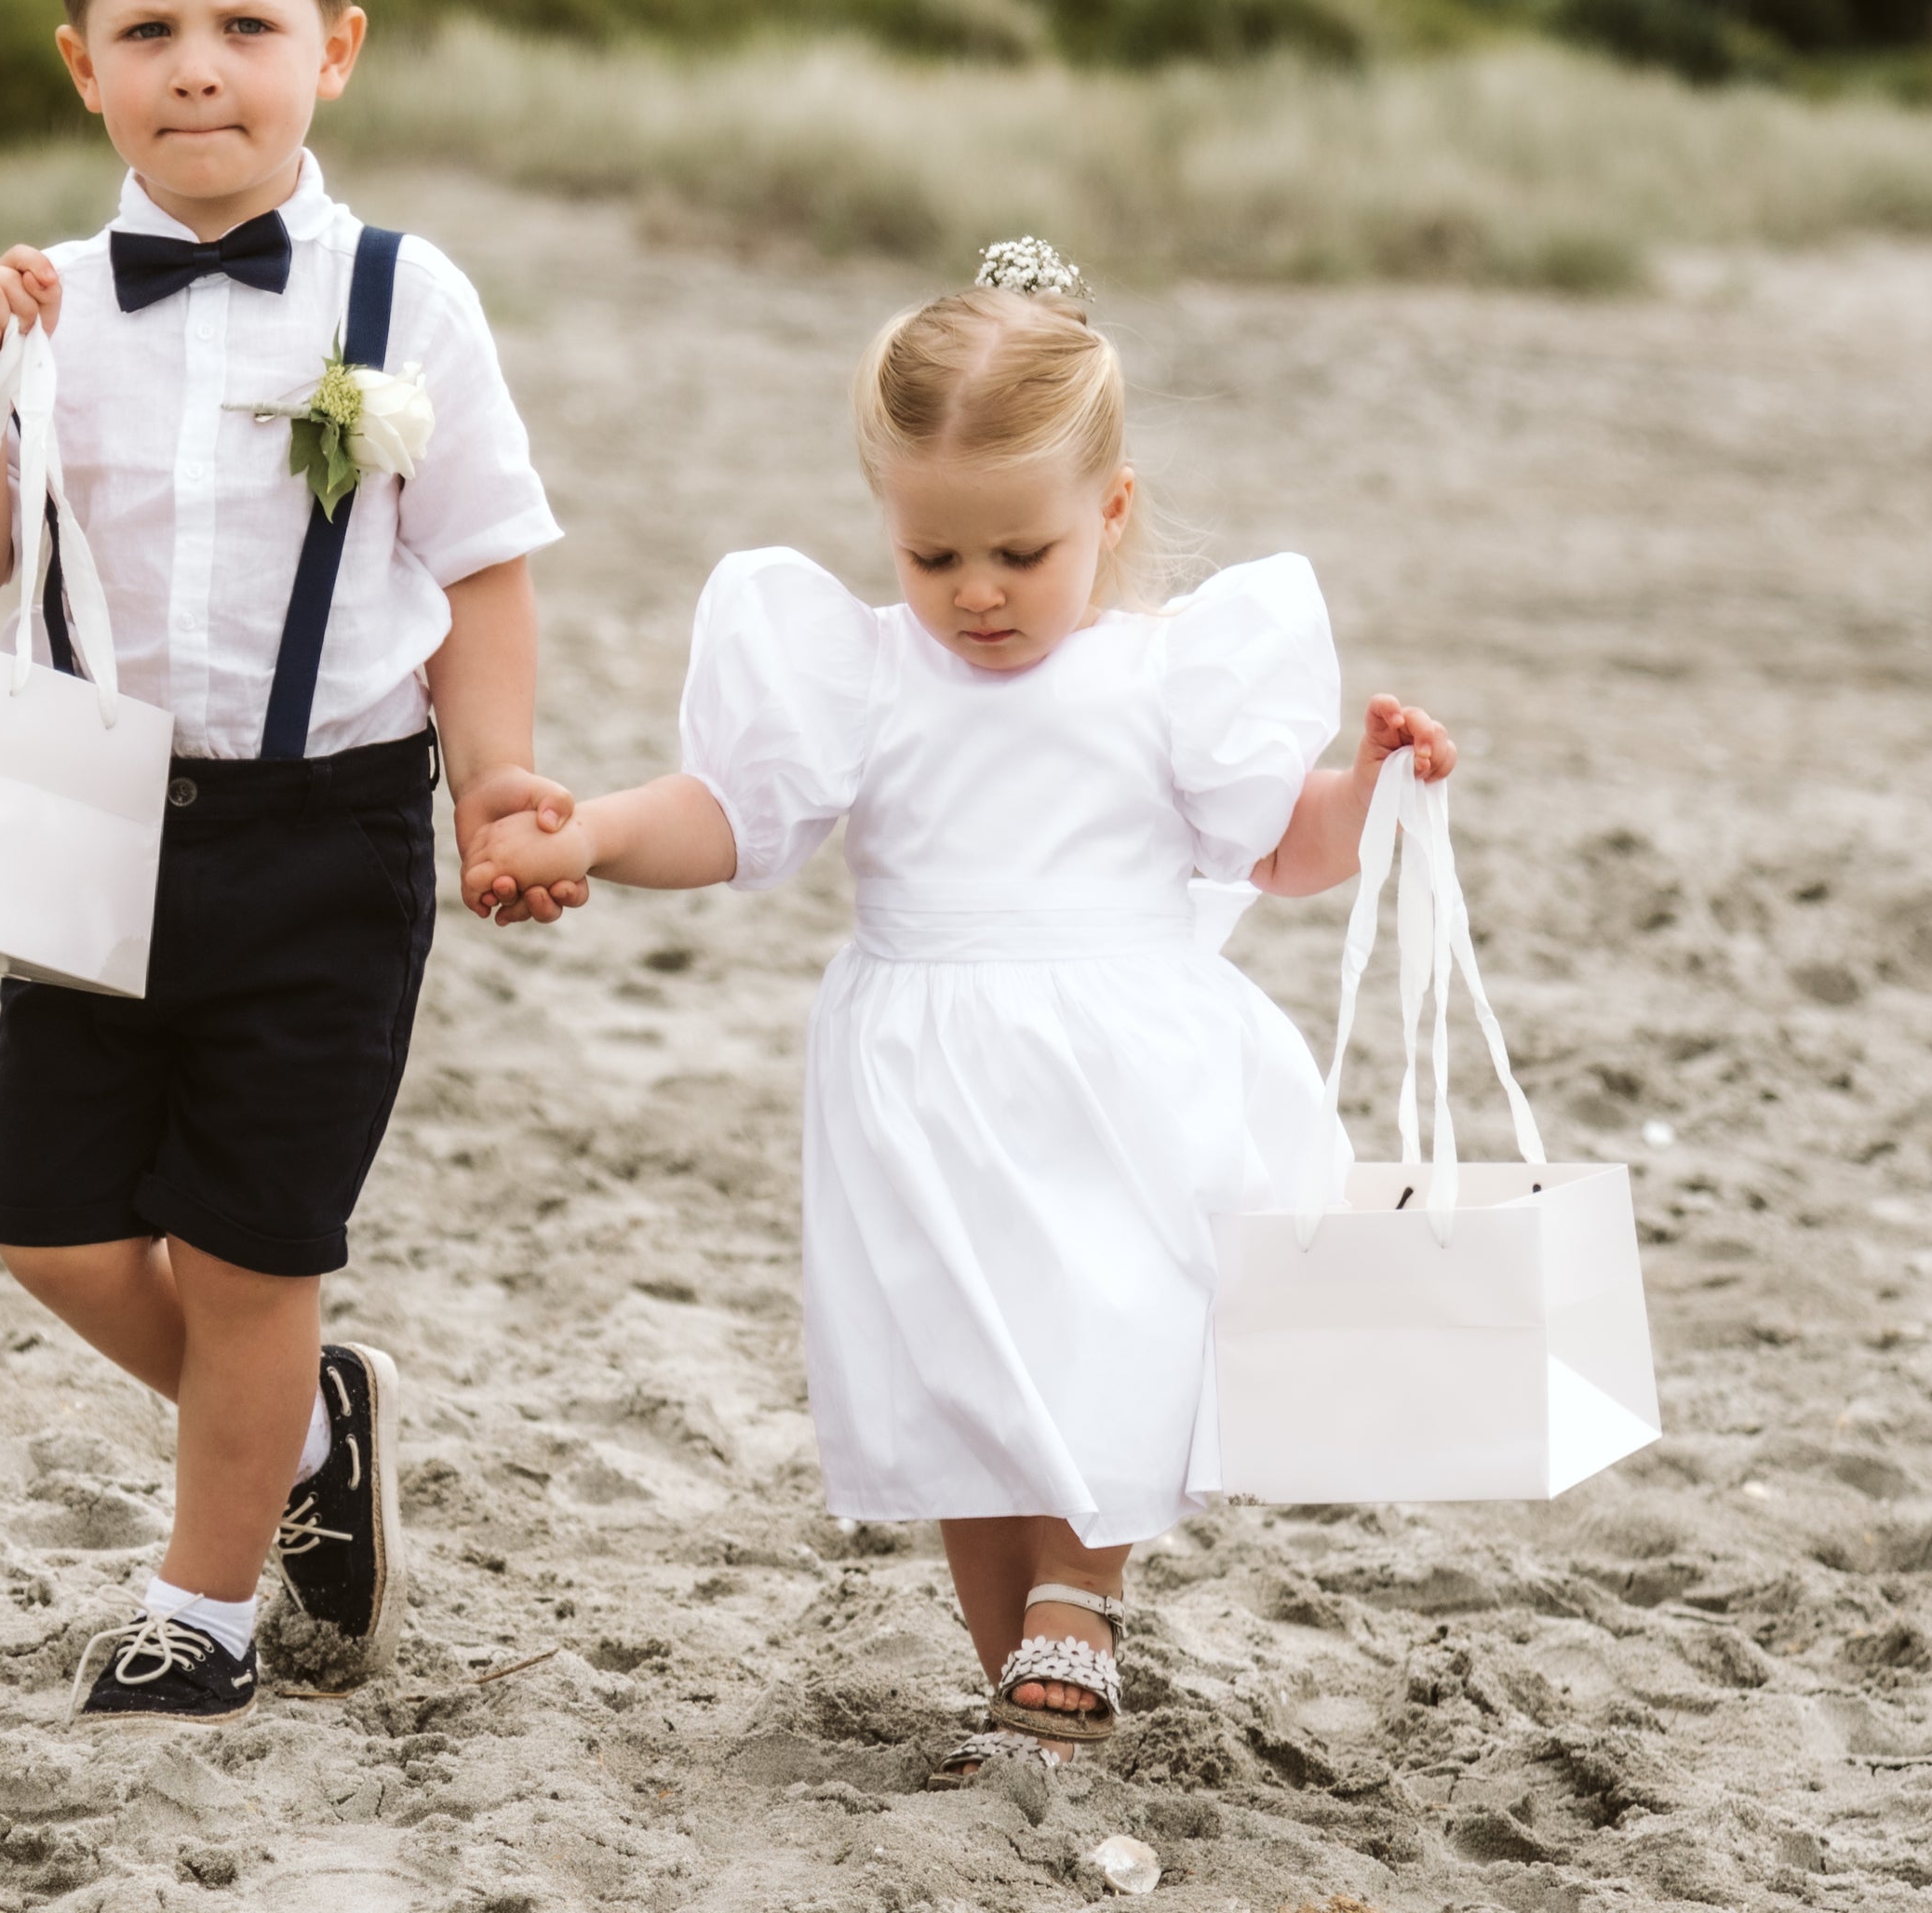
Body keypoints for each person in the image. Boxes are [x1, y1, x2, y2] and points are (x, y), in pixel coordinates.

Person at [462, 237, 1455, 1785]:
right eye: (933, 559)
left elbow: (1279, 847)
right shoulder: (862, 675)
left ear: (1108, 514)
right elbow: (730, 816)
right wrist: (589, 833)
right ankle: (1026, 1685)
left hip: (1118, 1064)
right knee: (967, 1374)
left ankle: (1085, 1590)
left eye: (1018, 554)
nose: (976, 593)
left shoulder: (1163, 676)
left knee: (1112, 1317)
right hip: (921, 1075)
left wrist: (1372, 784)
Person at [0, 0, 579, 1725]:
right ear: (83, 66)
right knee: (51, 1229)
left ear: (332, 49)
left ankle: (201, 1609)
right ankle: (308, 1434)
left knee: (254, 1251)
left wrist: (494, 783)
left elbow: (484, 569)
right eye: (152, 30)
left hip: (326, 833)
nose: (198, 67)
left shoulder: (405, 301)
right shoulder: (47, 305)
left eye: (246, 26)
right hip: (85, 812)